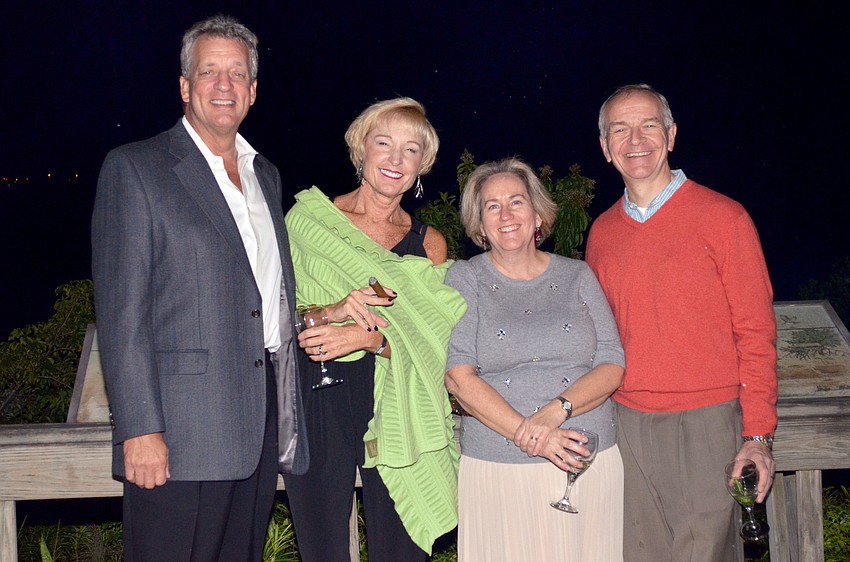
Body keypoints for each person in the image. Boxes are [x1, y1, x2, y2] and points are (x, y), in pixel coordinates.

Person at [91, 15, 309, 561]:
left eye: (236, 74)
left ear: (253, 92)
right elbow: (122, 315)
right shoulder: (136, 169)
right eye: (209, 71)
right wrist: (139, 428)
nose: (223, 85)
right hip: (176, 435)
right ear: (185, 86)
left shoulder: (267, 176)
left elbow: (264, 298)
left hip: (255, 426)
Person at [586, 83, 778, 562]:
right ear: (606, 148)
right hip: (626, 422)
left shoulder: (724, 218)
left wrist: (757, 437)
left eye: (649, 125)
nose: (636, 139)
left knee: (706, 554)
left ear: (671, 135)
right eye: (620, 130)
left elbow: (756, 332)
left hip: (708, 422)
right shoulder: (602, 233)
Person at [281, 97, 467, 561]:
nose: (395, 159)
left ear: (422, 165)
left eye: (410, 150)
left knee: (400, 550)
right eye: (383, 143)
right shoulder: (309, 224)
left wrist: (373, 340)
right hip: (321, 400)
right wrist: (333, 311)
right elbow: (277, 320)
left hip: (403, 401)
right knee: (322, 548)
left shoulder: (430, 245)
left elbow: (438, 342)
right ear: (360, 150)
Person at [444, 157, 626, 561]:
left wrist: (554, 413)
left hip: (588, 462)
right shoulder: (465, 278)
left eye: (516, 202)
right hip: (500, 465)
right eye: (492, 206)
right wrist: (533, 434)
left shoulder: (578, 274)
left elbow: (613, 362)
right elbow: (458, 376)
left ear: (537, 212)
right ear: (479, 221)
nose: (506, 215)